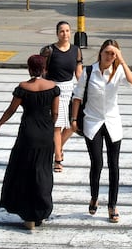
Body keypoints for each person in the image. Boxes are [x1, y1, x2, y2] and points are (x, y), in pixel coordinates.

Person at [70, 39, 132, 224]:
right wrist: (74, 120)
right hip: (93, 121)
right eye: (107, 52)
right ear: (100, 52)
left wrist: (122, 60)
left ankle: (112, 206)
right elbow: (77, 97)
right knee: (97, 163)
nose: (110, 56)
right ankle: (94, 196)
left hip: (113, 122)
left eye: (113, 53)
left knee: (114, 165)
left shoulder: (119, 70)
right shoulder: (89, 72)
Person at [0, 54, 60, 230]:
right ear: (45, 69)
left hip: (28, 134)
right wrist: (49, 127)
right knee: (42, 172)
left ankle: (28, 216)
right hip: (45, 134)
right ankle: (40, 211)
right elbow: (56, 113)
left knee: (25, 172)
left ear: (29, 69)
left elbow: (11, 110)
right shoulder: (53, 87)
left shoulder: (23, 88)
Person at [44, 21, 82, 173]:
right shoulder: (49, 50)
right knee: (57, 126)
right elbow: (43, 71)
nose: (65, 34)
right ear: (57, 33)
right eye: (61, 31)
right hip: (54, 90)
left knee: (73, 124)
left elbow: (78, 73)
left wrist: (84, 89)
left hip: (69, 89)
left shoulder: (76, 50)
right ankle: (58, 159)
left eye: (67, 31)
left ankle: (55, 149)